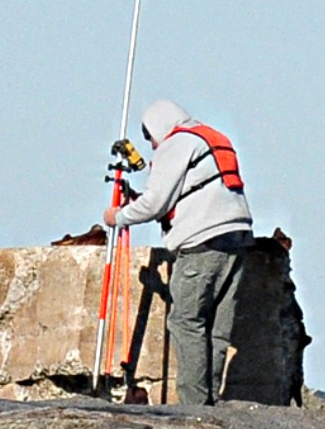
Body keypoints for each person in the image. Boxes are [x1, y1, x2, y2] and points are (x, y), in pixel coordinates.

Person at [108, 101, 253, 407]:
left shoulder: (176, 144)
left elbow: (156, 204)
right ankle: (210, 403)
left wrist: (117, 217)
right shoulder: (211, 137)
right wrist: (142, 202)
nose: (151, 145)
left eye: (149, 138)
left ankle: (194, 407)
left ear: (157, 126)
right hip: (237, 239)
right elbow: (185, 195)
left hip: (202, 242)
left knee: (186, 322)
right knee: (216, 327)